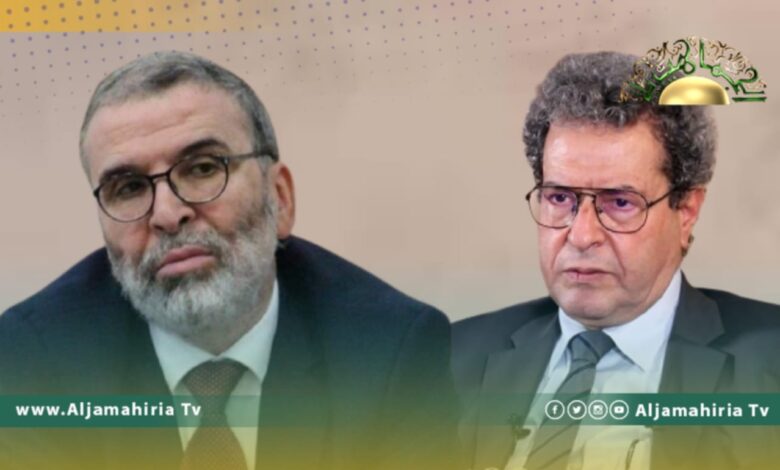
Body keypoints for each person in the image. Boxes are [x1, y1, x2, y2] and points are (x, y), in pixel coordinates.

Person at [0, 50, 459, 470]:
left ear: (279, 198)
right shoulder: (38, 360)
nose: (167, 214)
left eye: (202, 169)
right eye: (129, 188)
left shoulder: (390, 352)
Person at [452, 52, 780, 470]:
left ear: (686, 211)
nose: (582, 235)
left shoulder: (769, 362)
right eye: (559, 198)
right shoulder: (451, 357)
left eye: (620, 202)